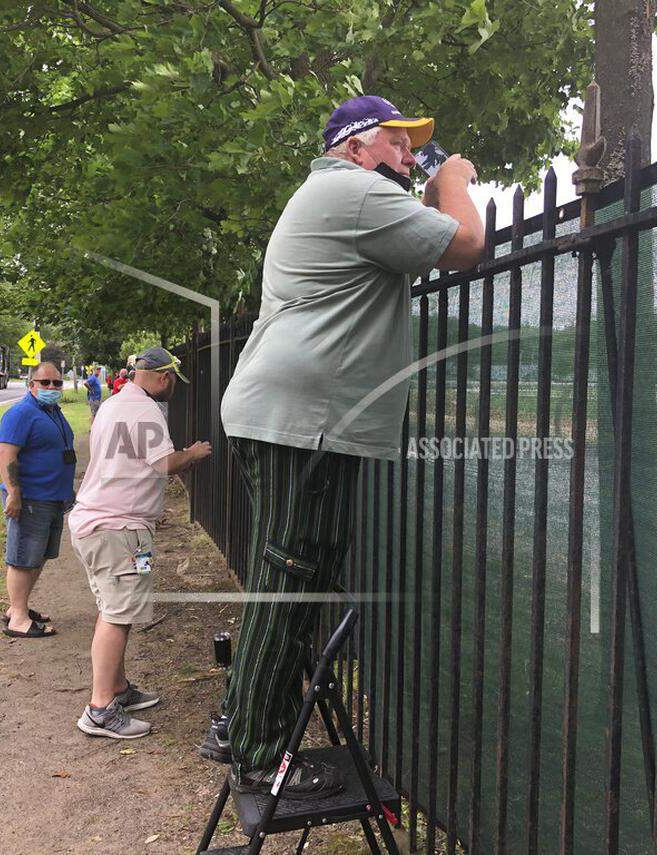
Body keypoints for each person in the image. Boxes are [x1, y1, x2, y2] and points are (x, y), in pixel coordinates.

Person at [205, 95, 485, 796]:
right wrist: (455, 178)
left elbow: (421, 240)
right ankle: (260, 752)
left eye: (417, 146)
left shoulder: (349, 198)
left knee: (297, 573)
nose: (411, 154)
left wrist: (428, 189)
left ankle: (241, 720)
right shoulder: (353, 192)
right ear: (357, 146)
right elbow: (466, 244)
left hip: (301, 418)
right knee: (289, 577)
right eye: (398, 141)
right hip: (302, 419)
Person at [69, 347, 212, 738]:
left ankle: (117, 688)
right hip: (119, 533)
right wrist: (194, 453)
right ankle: (100, 709)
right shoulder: (145, 410)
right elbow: (164, 463)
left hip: (112, 528)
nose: (173, 390)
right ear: (163, 377)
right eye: (172, 382)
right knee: (117, 614)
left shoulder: (115, 404)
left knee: (120, 608)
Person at [0, 361, 77, 638]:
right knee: (22, 557)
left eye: (57, 383)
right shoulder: (20, 413)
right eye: (45, 383)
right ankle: (18, 618)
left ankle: (17, 607)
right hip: (31, 497)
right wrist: (14, 494)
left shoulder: (52, 411)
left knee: (39, 556)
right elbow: (7, 455)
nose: (52, 387)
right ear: (31, 385)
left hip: (53, 497)